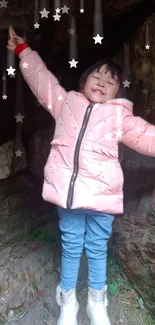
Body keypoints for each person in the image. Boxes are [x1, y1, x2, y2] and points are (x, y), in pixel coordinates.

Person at [7, 26, 155, 325]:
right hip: (69, 196)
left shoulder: (120, 117)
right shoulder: (65, 104)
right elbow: (42, 80)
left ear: (118, 92)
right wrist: (24, 51)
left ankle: (96, 304)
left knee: (97, 248)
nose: (101, 83)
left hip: (101, 198)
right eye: (95, 77)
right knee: (72, 246)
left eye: (110, 81)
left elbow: (147, 135)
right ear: (84, 81)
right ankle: (68, 301)